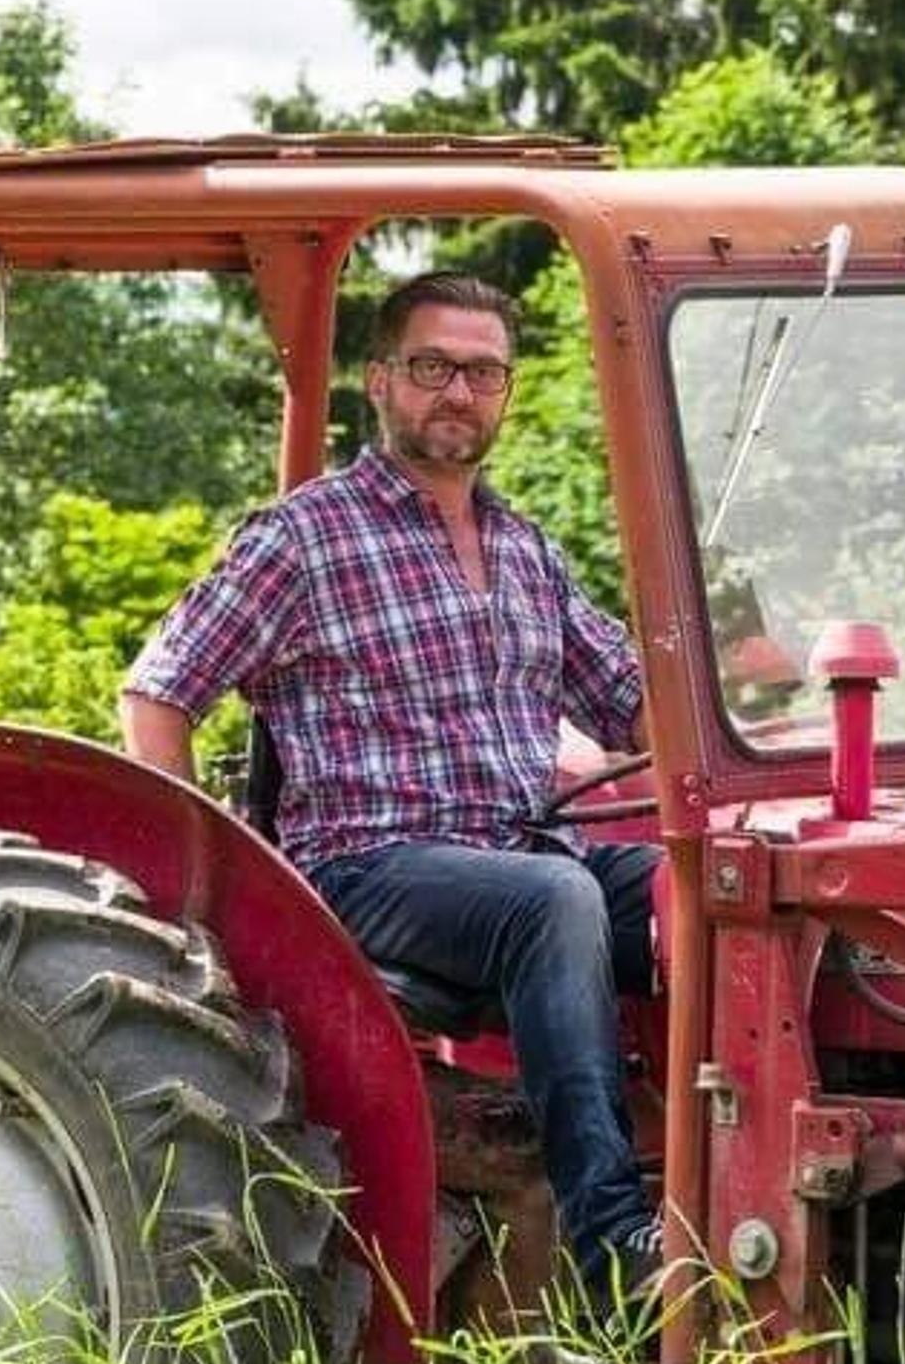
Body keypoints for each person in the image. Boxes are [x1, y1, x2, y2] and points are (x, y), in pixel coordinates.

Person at [120, 271, 662, 1310]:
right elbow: (158, 693)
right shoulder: (304, 538)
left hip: (518, 851)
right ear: (380, 383)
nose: (457, 392)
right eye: (431, 367)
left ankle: (727, 1187)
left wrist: (772, 729)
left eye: (482, 372)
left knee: (702, 892)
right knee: (553, 900)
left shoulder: (523, 549)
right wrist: (193, 893)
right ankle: (612, 1240)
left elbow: (637, 707)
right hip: (367, 866)